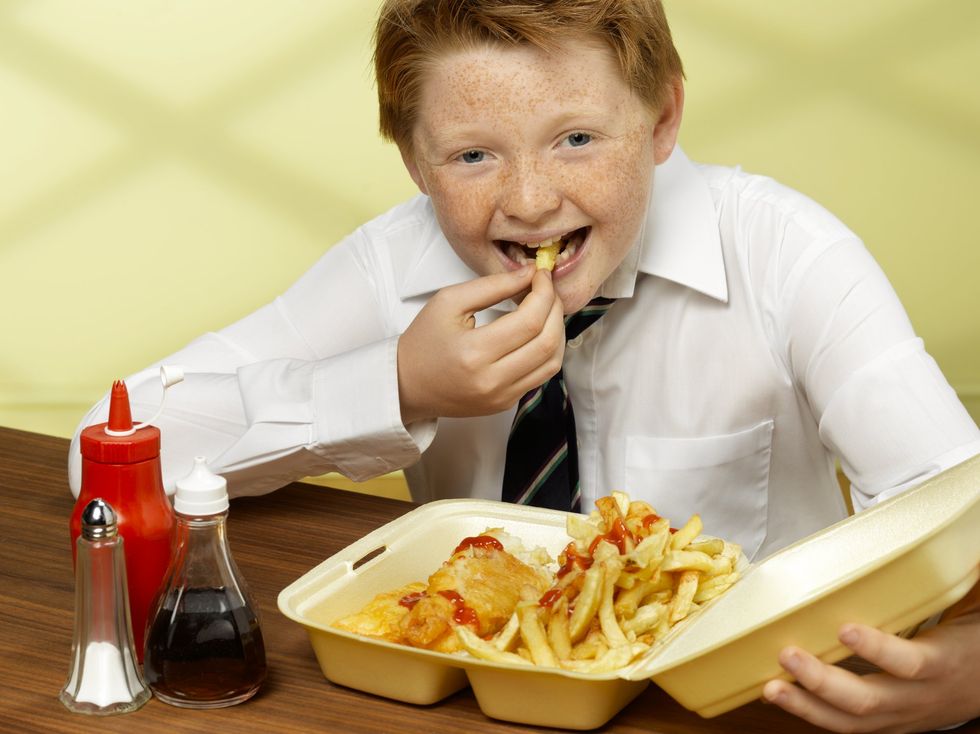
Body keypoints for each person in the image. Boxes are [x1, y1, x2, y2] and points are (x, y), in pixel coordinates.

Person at [69, 1, 979, 730]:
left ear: (661, 117)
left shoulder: (786, 253)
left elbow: (957, 505)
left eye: (577, 139)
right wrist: (397, 384)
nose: (532, 201)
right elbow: (101, 455)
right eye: (471, 156)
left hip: (738, 708)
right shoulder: (394, 262)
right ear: (415, 165)